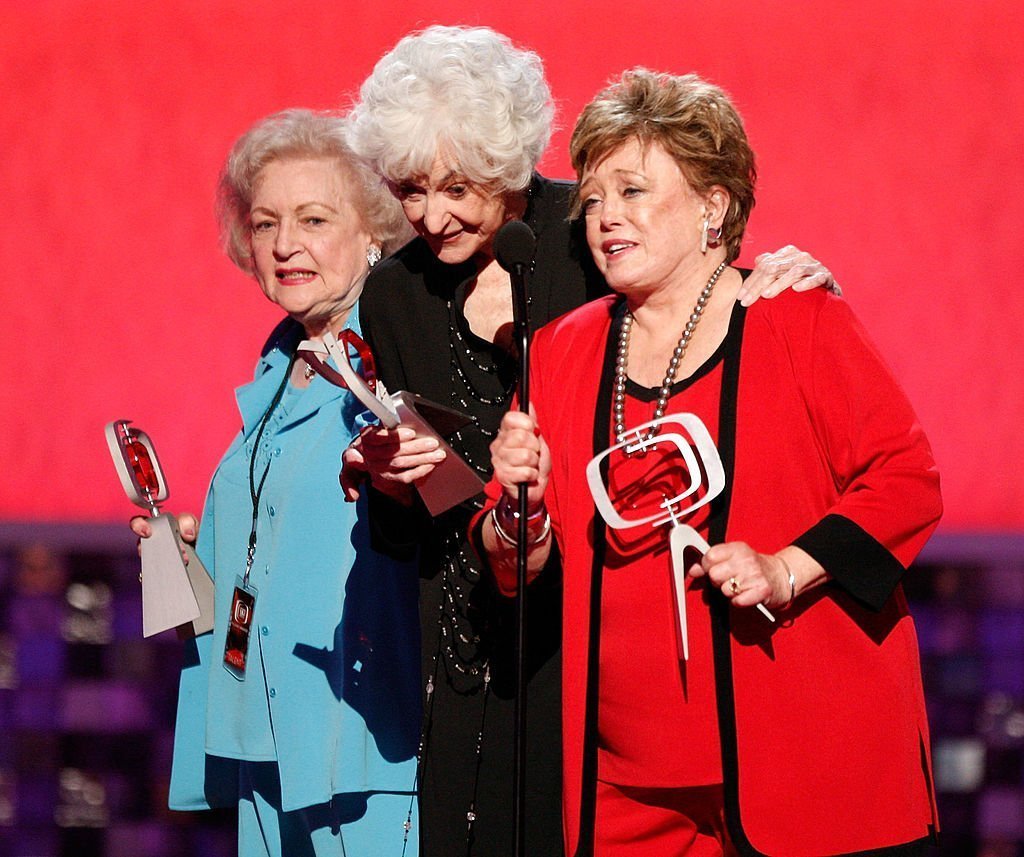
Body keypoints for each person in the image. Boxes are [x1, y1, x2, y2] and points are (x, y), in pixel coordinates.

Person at [342, 26, 837, 857]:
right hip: (465, 632)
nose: (429, 216)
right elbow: (419, 524)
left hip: (603, 632)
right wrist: (390, 484)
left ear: (507, 159)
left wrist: (801, 280)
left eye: (456, 186)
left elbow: (716, 323)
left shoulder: (596, 237)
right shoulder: (395, 294)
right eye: (409, 189)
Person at [482, 69, 942, 856]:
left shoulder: (797, 316)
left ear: (713, 205)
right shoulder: (561, 350)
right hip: (624, 790)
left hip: (805, 766)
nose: (605, 218)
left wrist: (786, 567)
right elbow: (513, 563)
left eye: (632, 191)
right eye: (593, 199)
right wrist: (515, 513)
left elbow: (907, 481)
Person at [132, 109, 421, 857]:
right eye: (265, 224)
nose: (285, 244)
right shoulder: (275, 373)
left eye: (313, 218)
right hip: (259, 741)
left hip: (360, 748)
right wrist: (185, 562)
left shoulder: (399, 356)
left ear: (375, 232)